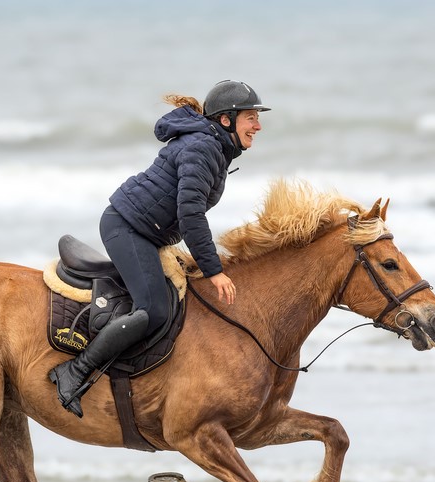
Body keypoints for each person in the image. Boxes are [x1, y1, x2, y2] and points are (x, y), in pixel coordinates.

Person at [48, 79, 270, 418]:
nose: (258, 125)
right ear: (227, 120)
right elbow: (190, 214)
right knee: (154, 311)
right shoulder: (204, 148)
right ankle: (74, 371)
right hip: (128, 227)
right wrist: (215, 272)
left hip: (149, 233)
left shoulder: (213, 146)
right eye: (251, 118)